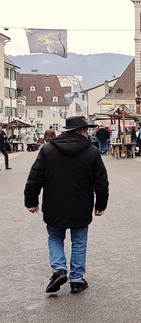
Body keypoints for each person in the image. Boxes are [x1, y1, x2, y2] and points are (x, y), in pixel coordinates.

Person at [24, 116, 109, 294]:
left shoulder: (47, 149)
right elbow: (101, 181)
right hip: (82, 203)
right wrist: (101, 204)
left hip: (54, 203)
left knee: (55, 237)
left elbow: (35, 177)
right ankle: (77, 280)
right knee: (79, 241)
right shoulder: (91, 151)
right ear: (83, 131)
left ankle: (59, 269)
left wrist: (31, 201)